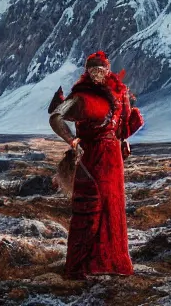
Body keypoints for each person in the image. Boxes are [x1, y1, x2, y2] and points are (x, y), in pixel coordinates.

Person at [48, 51, 138, 280]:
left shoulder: (118, 94)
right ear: (87, 72)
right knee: (91, 207)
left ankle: (112, 261)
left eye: (101, 70)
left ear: (108, 71)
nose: (97, 74)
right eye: (93, 70)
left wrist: (124, 141)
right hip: (93, 156)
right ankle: (82, 264)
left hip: (113, 158)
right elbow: (56, 117)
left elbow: (123, 125)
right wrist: (71, 140)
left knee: (113, 206)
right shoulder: (82, 96)